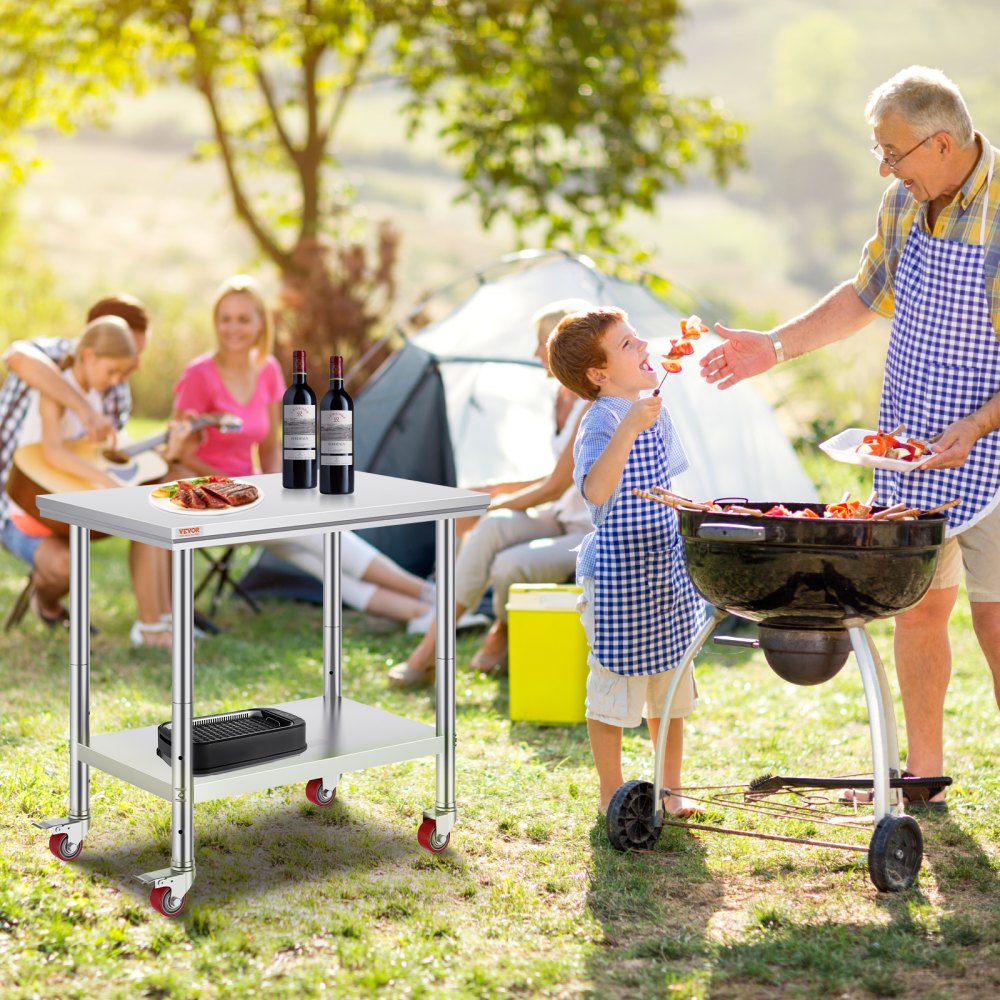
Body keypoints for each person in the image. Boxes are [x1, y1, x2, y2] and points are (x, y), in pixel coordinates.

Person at [699, 66, 1000, 810]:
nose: (884, 167)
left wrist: (977, 425)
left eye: (892, 152)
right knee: (919, 609)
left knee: (996, 624)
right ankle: (922, 777)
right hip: (910, 449)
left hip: (989, 453)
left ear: (939, 143)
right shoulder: (906, 198)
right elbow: (867, 293)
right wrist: (771, 348)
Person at [172, 275, 439, 626]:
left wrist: (284, 494)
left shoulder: (266, 370)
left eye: (243, 319)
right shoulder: (199, 374)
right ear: (215, 323)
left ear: (259, 323)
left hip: (254, 495)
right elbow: (175, 452)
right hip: (213, 498)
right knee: (322, 536)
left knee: (320, 551)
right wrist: (232, 490)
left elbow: (269, 446)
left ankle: (423, 614)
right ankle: (430, 595)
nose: (232, 328)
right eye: (225, 319)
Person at [546, 306, 706, 817]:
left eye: (639, 341)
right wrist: (628, 431)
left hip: (664, 568)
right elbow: (595, 489)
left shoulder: (651, 408)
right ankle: (612, 790)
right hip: (618, 574)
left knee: (671, 687)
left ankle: (670, 787)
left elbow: (662, 485)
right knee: (613, 686)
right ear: (598, 374)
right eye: (628, 345)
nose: (644, 350)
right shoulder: (601, 421)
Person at [387, 299, 596, 687]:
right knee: (491, 526)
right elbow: (556, 475)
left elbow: (556, 485)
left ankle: (500, 630)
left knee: (506, 561)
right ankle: (431, 651)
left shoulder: (590, 404)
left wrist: (490, 503)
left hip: (587, 531)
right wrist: (490, 493)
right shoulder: (562, 397)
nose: (535, 352)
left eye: (542, 342)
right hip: (562, 517)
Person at [0, 293, 184, 643]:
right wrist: (104, 482)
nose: (118, 379)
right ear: (89, 355)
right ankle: (146, 626)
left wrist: (167, 448)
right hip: (30, 507)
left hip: (69, 501)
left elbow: (102, 454)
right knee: (69, 563)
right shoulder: (54, 386)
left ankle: (161, 620)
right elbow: (52, 453)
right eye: (112, 370)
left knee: (157, 502)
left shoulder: (102, 391)